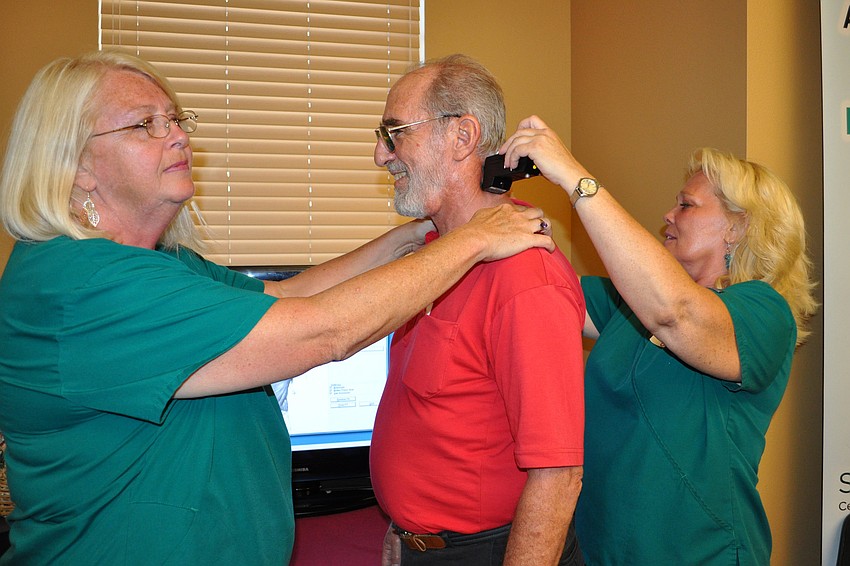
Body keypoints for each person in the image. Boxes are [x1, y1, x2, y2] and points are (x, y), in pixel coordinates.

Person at [0, 51, 556, 565]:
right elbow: (322, 332)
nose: (177, 137)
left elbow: (288, 295)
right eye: (145, 124)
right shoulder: (79, 286)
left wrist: (418, 235)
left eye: (174, 119)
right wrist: (473, 239)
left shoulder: (164, 265)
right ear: (75, 166)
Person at [500, 116, 818, 565]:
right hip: (600, 551)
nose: (668, 215)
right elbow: (543, 293)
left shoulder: (764, 313)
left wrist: (576, 180)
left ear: (738, 227)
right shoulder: (634, 305)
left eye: (687, 205)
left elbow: (677, 313)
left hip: (700, 553)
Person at [370, 55, 586, 566]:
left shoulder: (524, 278)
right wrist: (405, 530)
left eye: (395, 132)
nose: (381, 155)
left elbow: (557, 476)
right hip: (422, 546)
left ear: (462, 138)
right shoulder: (432, 257)